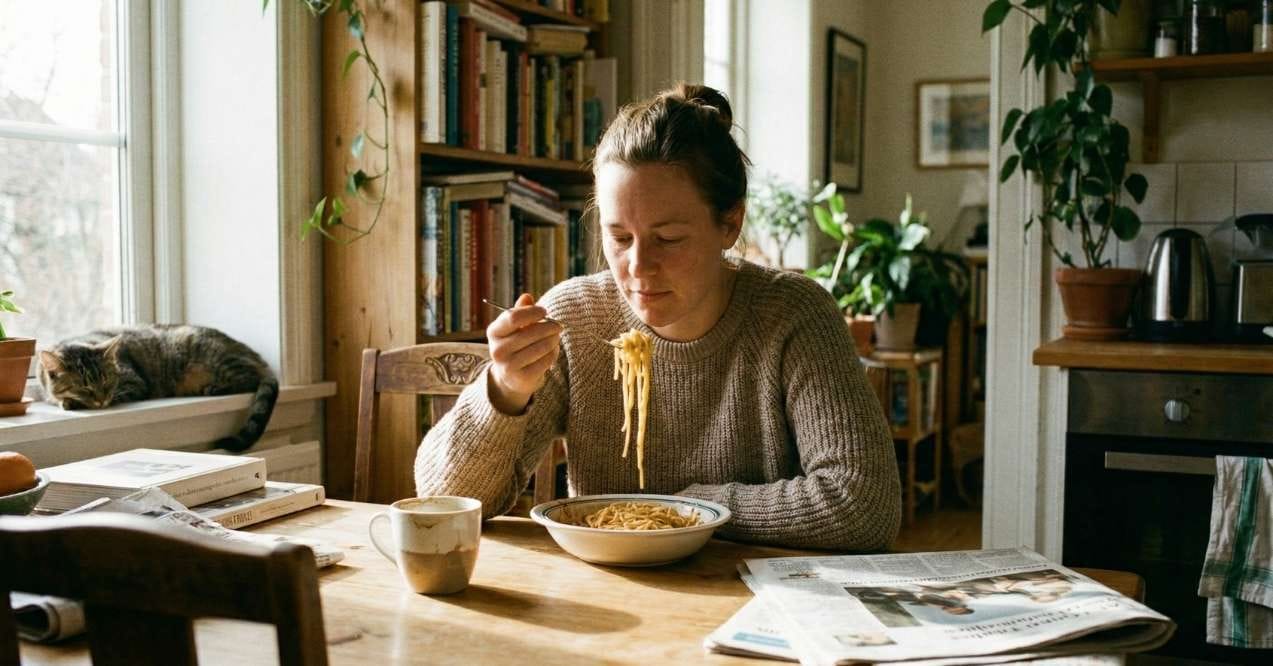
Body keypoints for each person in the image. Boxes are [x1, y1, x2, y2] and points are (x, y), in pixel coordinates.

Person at [414, 82, 900, 551]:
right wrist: (504, 390)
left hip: (753, 601)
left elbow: (864, 504)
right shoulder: (577, 317)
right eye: (619, 238)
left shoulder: (793, 314)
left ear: (729, 223)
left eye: (667, 239)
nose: (638, 267)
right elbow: (445, 497)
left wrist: (693, 510)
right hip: (608, 599)